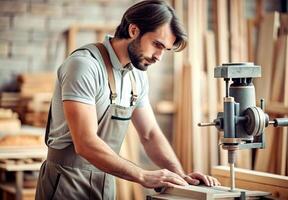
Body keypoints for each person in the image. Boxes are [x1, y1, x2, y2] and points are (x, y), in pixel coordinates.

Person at [35, 0, 220, 199]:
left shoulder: (137, 75)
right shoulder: (84, 66)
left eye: (164, 50)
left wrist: (181, 176)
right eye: (156, 44)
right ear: (133, 30)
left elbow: (149, 134)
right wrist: (143, 175)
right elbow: (85, 143)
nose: (159, 56)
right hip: (66, 181)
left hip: (105, 182)